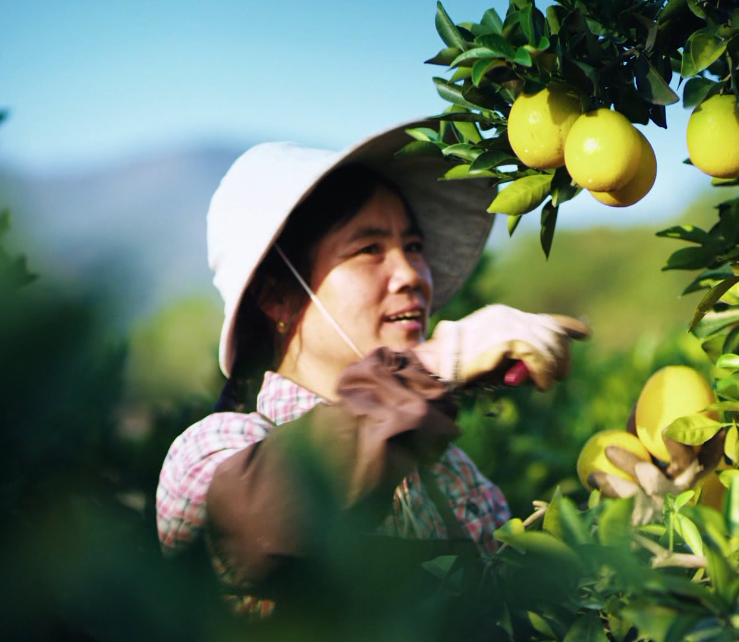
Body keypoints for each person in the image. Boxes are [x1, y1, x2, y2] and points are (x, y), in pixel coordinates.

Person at [155, 121, 589, 617]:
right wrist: (434, 365)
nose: (410, 274)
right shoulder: (212, 453)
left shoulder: (449, 479)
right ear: (276, 294)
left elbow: (526, 609)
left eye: (414, 247)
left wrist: (637, 512)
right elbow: (260, 525)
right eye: (368, 250)